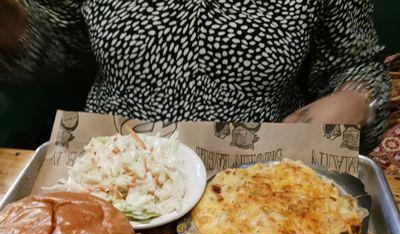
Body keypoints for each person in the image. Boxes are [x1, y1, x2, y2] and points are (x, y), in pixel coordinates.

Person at [0, 0, 391, 154]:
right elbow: (56, 45)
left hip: (262, 175)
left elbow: (356, 65)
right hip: (115, 165)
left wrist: (356, 99)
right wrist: (13, 23)